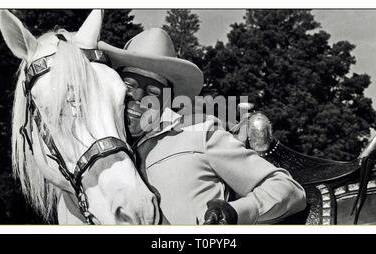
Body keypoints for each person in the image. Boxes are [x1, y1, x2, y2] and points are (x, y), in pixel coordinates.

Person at [98, 28, 306, 224]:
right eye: (130, 85)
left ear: (168, 100)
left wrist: (234, 213)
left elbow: (287, 189)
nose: (140, 98)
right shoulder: (95, 153)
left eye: (154, 91)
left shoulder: (200, 133)